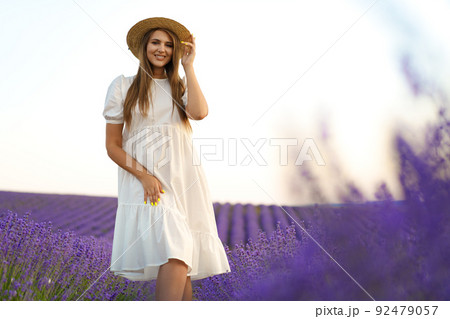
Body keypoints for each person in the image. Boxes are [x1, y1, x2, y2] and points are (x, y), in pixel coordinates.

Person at [102, 17, 231, 301]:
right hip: (146, 181)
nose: (162, 49)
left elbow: (199, 113)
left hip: (183, 179)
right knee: (176, 251)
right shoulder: (123, 86)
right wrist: (144, 175)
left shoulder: (179, 87)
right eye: (156, 42)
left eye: (169, 45)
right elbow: (113, 145)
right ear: (144, 47)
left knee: (182, 259)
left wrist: (189, 65)